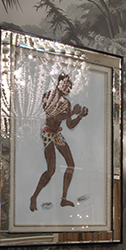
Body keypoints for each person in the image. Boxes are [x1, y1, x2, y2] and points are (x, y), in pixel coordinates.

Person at [29, 73, 87, 212]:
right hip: (48, 134)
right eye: (66, 84)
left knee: (71, 165)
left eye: (70, 85)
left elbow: (70, 125)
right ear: (59, 82)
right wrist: (72, 112)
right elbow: (53, 115)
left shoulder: (66, 103)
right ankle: (34, 196)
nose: (69, 87)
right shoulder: (48, 96)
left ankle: (63, 199)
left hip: (57, 134)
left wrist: (79, 116)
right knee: (51, 170)